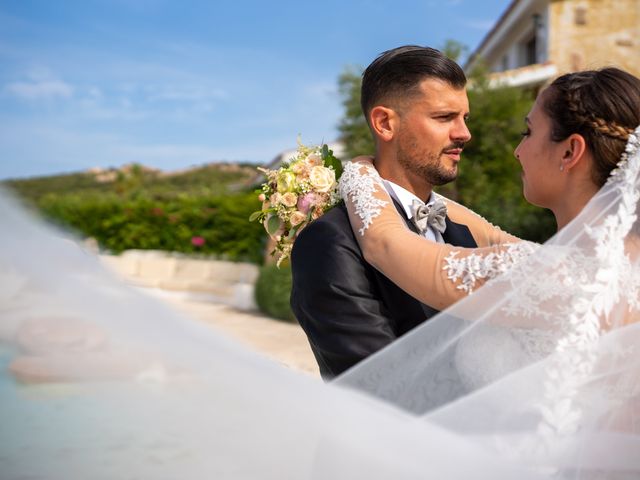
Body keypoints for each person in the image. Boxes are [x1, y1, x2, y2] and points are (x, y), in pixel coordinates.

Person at [339, 67, 640, 312]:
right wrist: (414, 194)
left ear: (569, 152)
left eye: (529, 132)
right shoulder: (616, 264)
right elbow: (493, 236)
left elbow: (384, 244)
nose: (518, 151)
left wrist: (359, 169)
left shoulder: (560, 275)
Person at [290, 45, 478, 380]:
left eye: (464, 118)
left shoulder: (463, 233)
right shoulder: (330, 241)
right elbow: (381, 383)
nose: (464, 133)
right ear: (385, 123)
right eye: (444, 117)